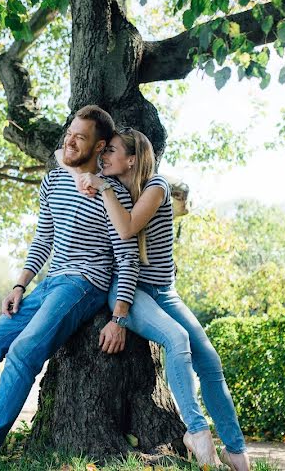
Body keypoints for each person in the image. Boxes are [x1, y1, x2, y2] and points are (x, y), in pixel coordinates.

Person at [0, 105, 140, 471]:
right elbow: (43, 237)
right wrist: (20, 284)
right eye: (70, 134)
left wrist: (120, 316)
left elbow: (128, 258)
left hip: (83, 284)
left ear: (99, 147)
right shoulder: (54, 181)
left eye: (81, 137)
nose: (70, 141)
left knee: (24, 352)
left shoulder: (115, 194)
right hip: (48, 284)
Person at [59, 127, 251, 471]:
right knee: (175, 339)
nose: (103, 157)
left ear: (132, 159)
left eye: (112, 151)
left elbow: (128, 227)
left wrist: (100, 185)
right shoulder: (112, 185)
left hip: (165, 293)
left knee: (209, 361)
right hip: (130, 291)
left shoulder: (157, 187)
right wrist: (95, 180)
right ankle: (196, 432)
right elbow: (63, 159)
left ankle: (236, 451)